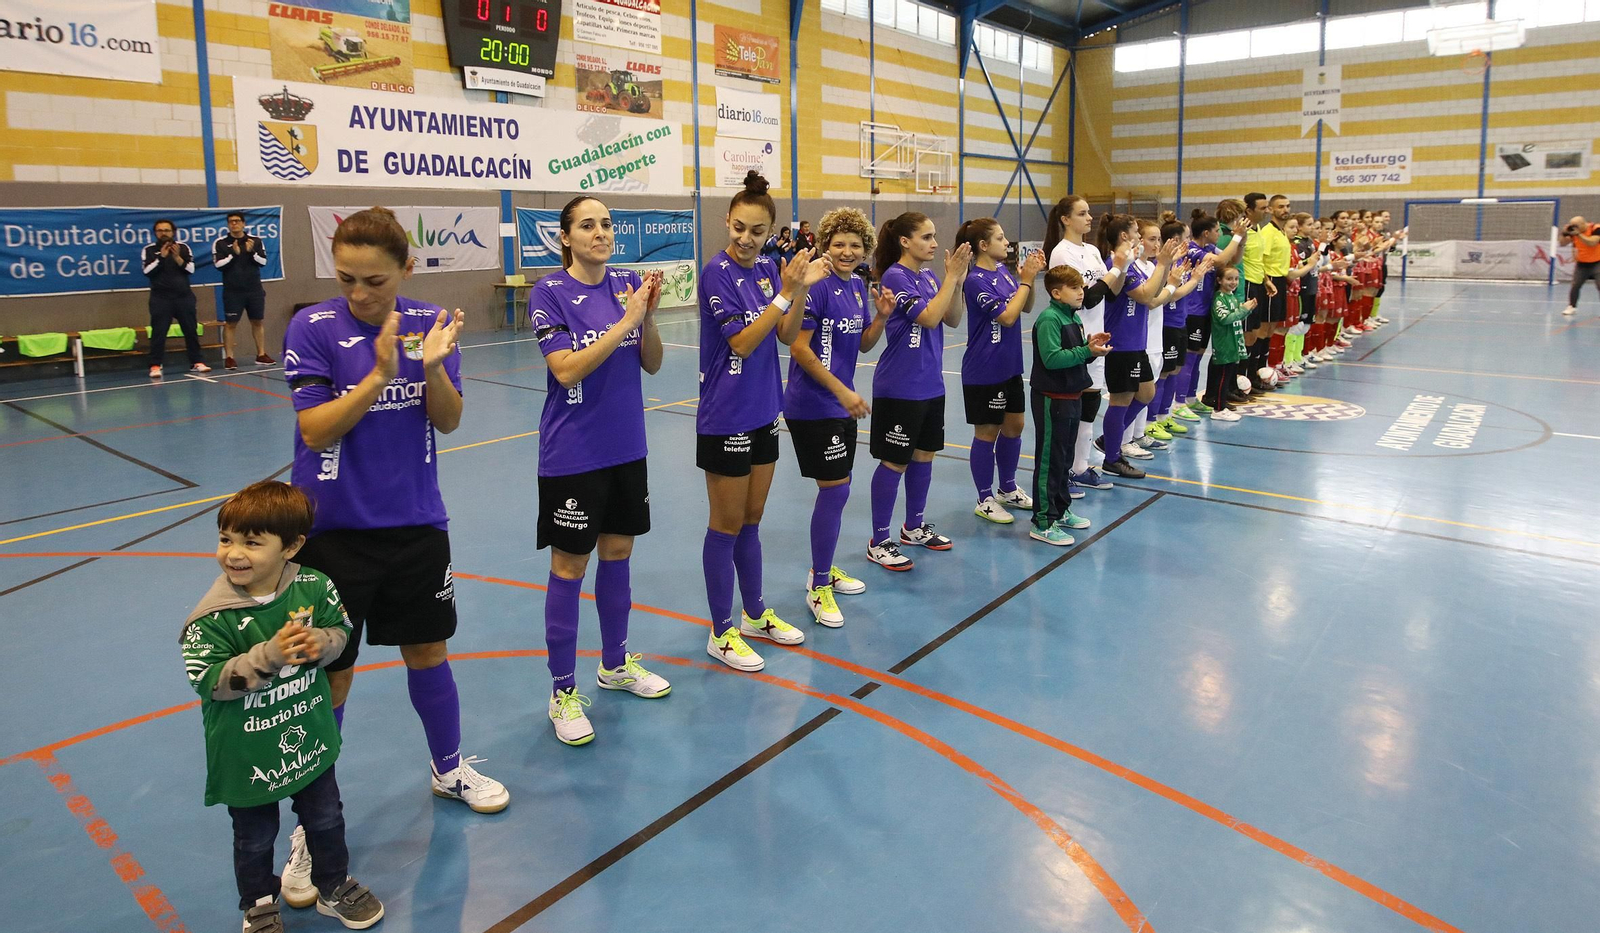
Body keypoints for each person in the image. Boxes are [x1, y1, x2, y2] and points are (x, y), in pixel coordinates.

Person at [281, 207, 509, 907]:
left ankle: (448, 767)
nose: (359, 292)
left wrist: (431, 367)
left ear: (405, 270)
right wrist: (378, 374)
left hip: (415, 525)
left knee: (428, 655)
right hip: (332, 533)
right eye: (346, 278)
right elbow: (314, 428)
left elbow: (447, 417)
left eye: (374, 280)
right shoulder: (312, 327)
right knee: (334, 677)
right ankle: (311, 827)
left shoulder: (430, 322)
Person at [180, 481, 383, 932]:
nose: (235, 553)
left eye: (252, 542)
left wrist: (321, 643)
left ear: (292, 546)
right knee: (254, 837)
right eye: (226, 539)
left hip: (306, 736)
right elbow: (211, 682)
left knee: (326, 816)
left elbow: (340, 632)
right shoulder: (212, 617)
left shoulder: (313, 585)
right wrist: (268, 656)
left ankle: (332, 885)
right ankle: (259, 905)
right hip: (249, 754)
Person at [528, 195, 669, 746]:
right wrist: (628, 319)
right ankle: (563, 689)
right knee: (569, 568)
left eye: (607, 224)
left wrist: (647, 318)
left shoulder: (627, 283)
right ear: (565, 237)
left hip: (626, 447)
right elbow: (565, 370)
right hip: (573, 456)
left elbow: (651, 360)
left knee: (618, 553)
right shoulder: (550, 292)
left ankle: (614, 664)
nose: (600, 233)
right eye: (587, 225)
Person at [697, 171, 829, 672]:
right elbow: (741, 342)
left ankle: (753, 614)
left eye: (757, 231)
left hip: (762, 413)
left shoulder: (770, 270)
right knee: (725, 524)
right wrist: (784, 293)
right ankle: (720, 630)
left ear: (771, 231)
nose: (746, 239)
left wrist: (796, 294)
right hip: (725, 416)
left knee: (752, 521)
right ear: (727, 224)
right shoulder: (716, 272)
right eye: (739, 228)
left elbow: (786, 335)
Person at [782, 207, 888, 628]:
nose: (847, 251)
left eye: (856, 246)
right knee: (836, 490)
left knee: (838, 491)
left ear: (866, 251)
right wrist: (843, 391)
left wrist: (881, 315)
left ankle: (821, 568)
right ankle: (819, 584)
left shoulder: (858, 286)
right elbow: (800, 349)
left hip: (838, 404)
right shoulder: (820, 286)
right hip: (813, 404)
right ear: (825, 245)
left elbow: (862, 345)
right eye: (839, 244)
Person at [865, 212, 970, 571]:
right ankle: (879, 540)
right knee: (895, 460)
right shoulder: (895, 275)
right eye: (926, 237)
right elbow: (926, 317)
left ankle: (913, 527)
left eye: (934, 236)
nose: (934, 243)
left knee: (924, 456)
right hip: (900, 386)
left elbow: (952, 318)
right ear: (905, 242)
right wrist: (951, 278)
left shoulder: (927, 275)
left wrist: (957, 282)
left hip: (930, 383)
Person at [957, 217, 1044, 525]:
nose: (1007, 243)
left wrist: (1027, 279)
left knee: (1015, 426)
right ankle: (984, 498)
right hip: (984, 368)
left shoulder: (1005, 273)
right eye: (1001, 238)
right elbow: (1007, 317)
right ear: (983, 245)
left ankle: (1007, 488)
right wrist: (1025, 281)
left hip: (1010, 365)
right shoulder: (976, 279)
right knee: (987, 432)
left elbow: (1027, 306)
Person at [1043, 195, 1130, 494]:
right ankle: (1064, 471)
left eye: (1089, 213)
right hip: (1074, 337)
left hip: (1096, 337)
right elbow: (1087, 297)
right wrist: (1115, 268)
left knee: (1090, 406)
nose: (1089, 218)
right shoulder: (1061, 253)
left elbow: (1111, 293)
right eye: (1082, 213)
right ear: (1066, 219)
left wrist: (1123, 266)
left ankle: (1080, 467)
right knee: (1071, 408)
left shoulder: (1092, 250)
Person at [1028, 266, 1111, 546]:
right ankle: (1042, 521)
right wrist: (1085, 351)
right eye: (1074, 288)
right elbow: (1052, 359)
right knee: (1050, 460)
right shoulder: (1050, 318)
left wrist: (1090, 348)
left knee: (1064, 459)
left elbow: (1073, 355)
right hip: (1052, 399)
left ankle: (1061, 509)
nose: (1081, 292)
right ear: (1056, 292)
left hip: (1072, 396)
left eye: (1081, 287)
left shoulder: (1072, 318)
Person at [1096, 214, 1178, 479]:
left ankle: (1109, 438)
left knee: (1146, 393)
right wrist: (1163, 264)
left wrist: (1165, 266)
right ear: (1125, 236)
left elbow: (1153, 291)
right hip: (1120, 342)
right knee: (1121, 399)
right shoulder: (1118, 263)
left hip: (1135, 342)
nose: (1143, 240)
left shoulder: (1133, 263)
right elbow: (1146, 296)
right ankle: (1112, 458)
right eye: (1137, 233)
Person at [143, 218, 210, 379]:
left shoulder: (184, 248)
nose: (163, 233)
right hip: (161, 299)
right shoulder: (150, 250)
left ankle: (196, 362)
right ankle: (155, 365)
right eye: (160, 231)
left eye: (166, 230)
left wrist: (178, 257)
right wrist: (162, 257)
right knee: (159, 332)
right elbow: (147, 271)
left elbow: (191, 269)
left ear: (173, 232)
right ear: (155, 233)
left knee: (190, 330)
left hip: (183, 297)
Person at [214, 211, 275, 370]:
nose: (234, 224)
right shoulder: (221, 243)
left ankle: (261, 354)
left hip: (254, 289)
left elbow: (263, 262)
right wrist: (233, 254)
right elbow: (219, 265)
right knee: (230, 324)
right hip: (232, 291)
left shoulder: (255, 241)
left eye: (237, 221)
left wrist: (251, 252)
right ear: (228, 224)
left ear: (243, 223)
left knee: (257, 321)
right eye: (231, 221)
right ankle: (229, 357)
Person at [1200, 266, 1256, 422]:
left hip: (1234, 344)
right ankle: (1218, 408)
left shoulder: (1232, 297)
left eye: (1236, 279)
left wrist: (1248, 309)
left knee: (1228, 376)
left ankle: (1222, 405)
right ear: (1219, 280)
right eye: (1229, 279)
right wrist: (1243, 310)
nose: (1233, 282)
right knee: (1222, 379)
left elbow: (1237, 317)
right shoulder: (1219, 299)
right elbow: (1226, 319)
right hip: (1224, 346)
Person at [1562, 216, 1600, 316]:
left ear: (1584, 224)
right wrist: (1564, 233)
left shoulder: (1595, 228)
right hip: (1582, 264)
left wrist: (1579, 234)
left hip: (1597, 262)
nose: (1574, 228)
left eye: (1577, 226)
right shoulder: (1574, 232)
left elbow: (1592, 242)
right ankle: (1572, 306)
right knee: (1575, 285)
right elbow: (1562, 243)